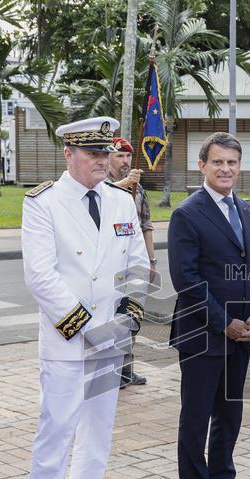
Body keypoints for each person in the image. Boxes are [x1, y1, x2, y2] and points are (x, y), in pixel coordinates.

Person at [22, 116, 149, 479]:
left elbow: (136, 264)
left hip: (110, 339)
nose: (102, 161)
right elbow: (40, 276)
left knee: (98, 431)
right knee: (55, 432)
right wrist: (86, 327)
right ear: (68, 155)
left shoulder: (120, 201)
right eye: (92, 153)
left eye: (106, 152)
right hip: (67, 338)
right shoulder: (43, 203)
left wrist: (126, 317)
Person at [168, 132, 250, 479]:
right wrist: (223, 322)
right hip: (203, 334)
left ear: (239, 166)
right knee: (196, 417)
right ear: (202, 166)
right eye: (218, 162)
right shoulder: (187, 214)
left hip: (242, 333)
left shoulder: (245, 210)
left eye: (232, 162)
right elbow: (187, 280)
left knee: (230, 414)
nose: (226, 169)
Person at [108, 136, 156, 387]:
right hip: (110, 265)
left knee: (132, 316)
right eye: (120, 156)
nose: (126, 161)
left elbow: (146, 226)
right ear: (108, 158)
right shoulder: (104, 187)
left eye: (128, 156)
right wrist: (123, 184)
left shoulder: (139, 190)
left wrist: (151, 260)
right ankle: (111, 369)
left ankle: (127, 369)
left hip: (134, 264)